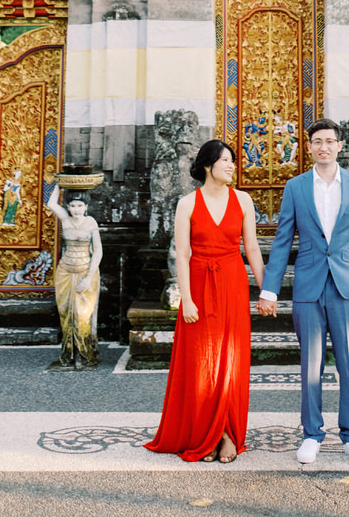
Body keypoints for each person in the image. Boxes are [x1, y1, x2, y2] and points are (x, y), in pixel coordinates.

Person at [256, 118, 349, 466]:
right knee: (311, 365)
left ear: (339, 146)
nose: (323, 146)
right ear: (309, 148)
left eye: (329, 141)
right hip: (309, 284)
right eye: (317, 142)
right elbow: (282, 243)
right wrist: (270, 290)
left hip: (348, 286)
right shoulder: (295, 187)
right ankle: (311, 434)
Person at [145, 139, 264, 464]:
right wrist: (187, 299)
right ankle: (203, 434)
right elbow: (181, 255)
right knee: (201, 363)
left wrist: (266, 290)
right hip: (197, 284)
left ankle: (226, 434)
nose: (231, 166)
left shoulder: (243, 200)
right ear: (208, 165)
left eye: (233, 161)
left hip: (232, 283)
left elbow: (251, 249)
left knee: (229, 361)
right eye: (225, 160)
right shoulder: (187, 203)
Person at [45, 183, 103, 370]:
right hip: (65, 272)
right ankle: (69, 355)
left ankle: (85, 356)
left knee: (82, 315)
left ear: (86, 207)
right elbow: (51, 203)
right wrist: (59, 184)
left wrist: (88, 278)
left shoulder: (91, 222)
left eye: (80, 206)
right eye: (72, 206)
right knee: (65, 313)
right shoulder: (65, 219)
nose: (76, 210)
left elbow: (98, 252)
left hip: (85, 271)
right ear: (68, 207)